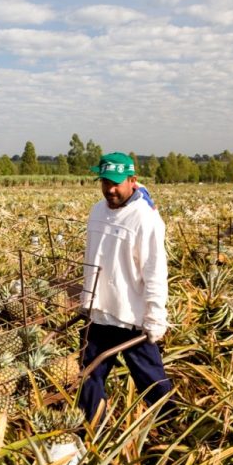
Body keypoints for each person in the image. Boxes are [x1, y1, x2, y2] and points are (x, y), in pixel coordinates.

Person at [78, 152, 173, 426]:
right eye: (105, 182)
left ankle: (171, 425)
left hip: (131, 317)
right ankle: (93, 429)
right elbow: (93, 258)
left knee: (152, 381)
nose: (110, 189)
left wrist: (155, 317)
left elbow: (155, 271)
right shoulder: (97, 210)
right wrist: (87, 297)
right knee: (88, 375)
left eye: (117, 183)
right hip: (99, 311)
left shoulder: (145, 218)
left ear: (133, 180)